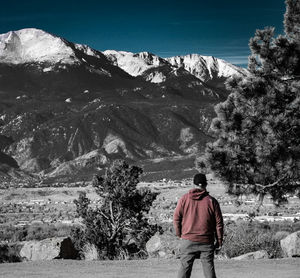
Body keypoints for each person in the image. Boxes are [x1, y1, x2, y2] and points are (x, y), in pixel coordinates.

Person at [173, 173, 224, 278]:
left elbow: (176, 218)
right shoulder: (211, 201)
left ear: (194, 184)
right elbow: (219, 224)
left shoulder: (184, 199)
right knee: (208, 268)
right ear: (205, 184)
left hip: (188, 239)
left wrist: (179, 234)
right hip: (206, 240)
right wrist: (219, 241)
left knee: (184, 269)